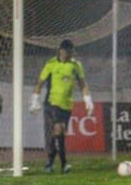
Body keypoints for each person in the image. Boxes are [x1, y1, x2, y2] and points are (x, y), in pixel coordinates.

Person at [29, 39, 93, 174]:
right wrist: (35, 99)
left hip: (67, 105)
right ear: (62, 51)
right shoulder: (51, 64)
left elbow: (82, 83)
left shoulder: (75, 65)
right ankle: (64, 164)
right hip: (52, 103)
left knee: (58, 134)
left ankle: (50, 163)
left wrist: (88, 100)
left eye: (72, 52)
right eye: (69, 52)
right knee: (60, 129)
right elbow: (39, 82)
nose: (71, 54)